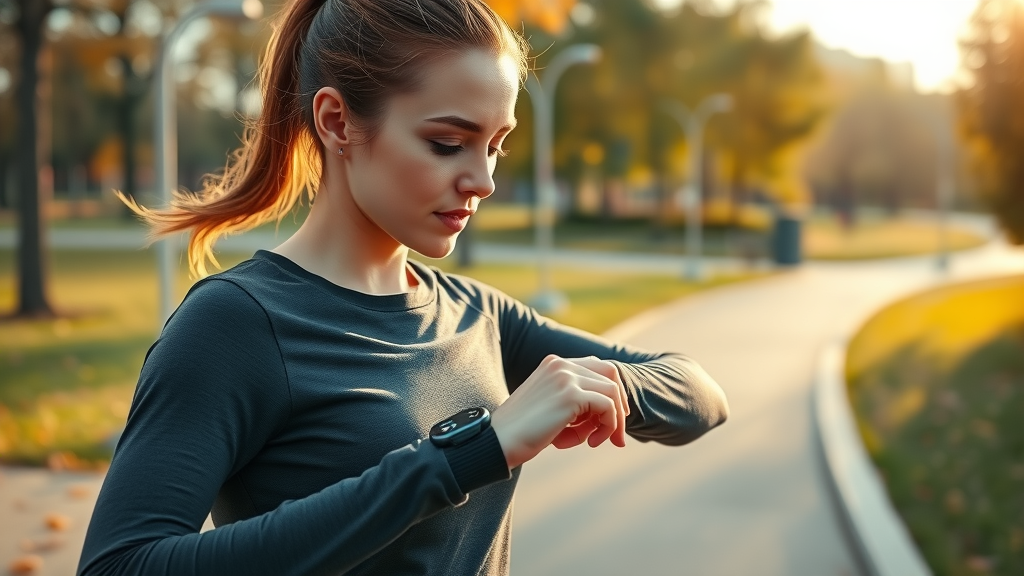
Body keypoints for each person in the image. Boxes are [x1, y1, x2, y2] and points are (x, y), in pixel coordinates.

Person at [77, 0, 729, 574]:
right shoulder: (236, 325)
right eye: (448, 143)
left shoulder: (475, 315)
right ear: (336, 122)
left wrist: (602, 386)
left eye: (495, 145)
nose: (484, 180)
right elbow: (120, 564)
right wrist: (470, 452)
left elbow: (701, 395)